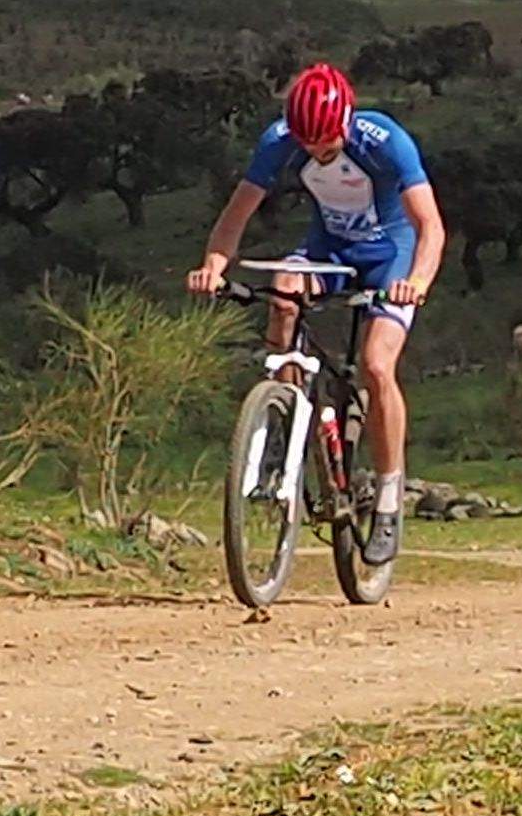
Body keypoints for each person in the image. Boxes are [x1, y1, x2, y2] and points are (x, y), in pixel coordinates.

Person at [185, 62, 445, 564]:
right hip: (330, 249)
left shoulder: (386, 139)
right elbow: (235, 216)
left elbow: (429, 225)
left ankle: (389, 498)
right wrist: (213, 267)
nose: (315, 152)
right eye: (307, 144)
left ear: (345, 123)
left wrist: (416, 283)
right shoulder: (280, 140)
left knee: (375, 365)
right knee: (283, 292)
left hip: (391, 253)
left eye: (325, 143)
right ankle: (285, 418)